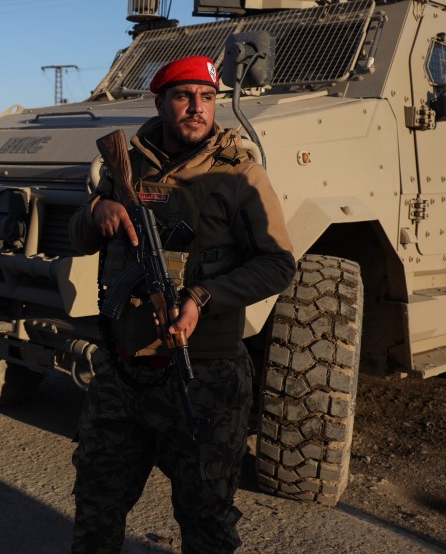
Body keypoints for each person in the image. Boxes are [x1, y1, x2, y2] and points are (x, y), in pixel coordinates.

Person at [69, 56, 297, 553]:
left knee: (206, 518)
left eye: (207, 97)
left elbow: (278, 264)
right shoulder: (128, 166)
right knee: (95, 505)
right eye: (183, 96)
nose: (197, 108)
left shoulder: (240, 175)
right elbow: (79, 238)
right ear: (160, 103)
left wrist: (200, 297)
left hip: (204, 376)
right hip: (123, 372)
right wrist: (97, 210)